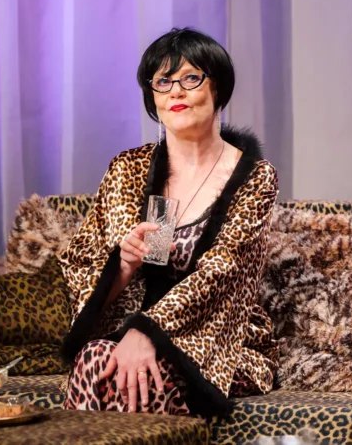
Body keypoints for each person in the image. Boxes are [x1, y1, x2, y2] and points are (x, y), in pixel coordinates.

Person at [59, 28, 279, 417]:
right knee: (99, 357)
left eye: (190, 78)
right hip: (127, 330)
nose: (176, 91)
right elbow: (85, 268)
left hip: (220, 341)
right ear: (152, 97)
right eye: (163, 81)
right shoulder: (130, 169)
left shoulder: (254, 176)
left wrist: (148, 331)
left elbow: (221, 273)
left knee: (134, 369)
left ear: (218, 87)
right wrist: (124, 266)